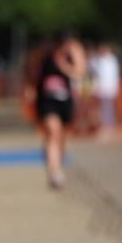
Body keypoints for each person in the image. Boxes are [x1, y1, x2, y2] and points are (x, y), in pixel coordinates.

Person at [34, 31, 86, 189]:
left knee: (61, 137)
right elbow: (35, 73)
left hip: (66, 101)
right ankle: (54, 172)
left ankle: (57, 165)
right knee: (52, 132)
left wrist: (64, 65)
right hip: (47, 101)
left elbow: (79, 73)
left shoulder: (71, 55)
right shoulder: (46, 54)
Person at [89, 41, 121, 139]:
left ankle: (107, 127)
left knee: (107, 109)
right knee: (103, 109)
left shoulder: (110, 60)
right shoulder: (100, 60)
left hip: (108, 88)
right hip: (102, 88)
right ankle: (104, 126)